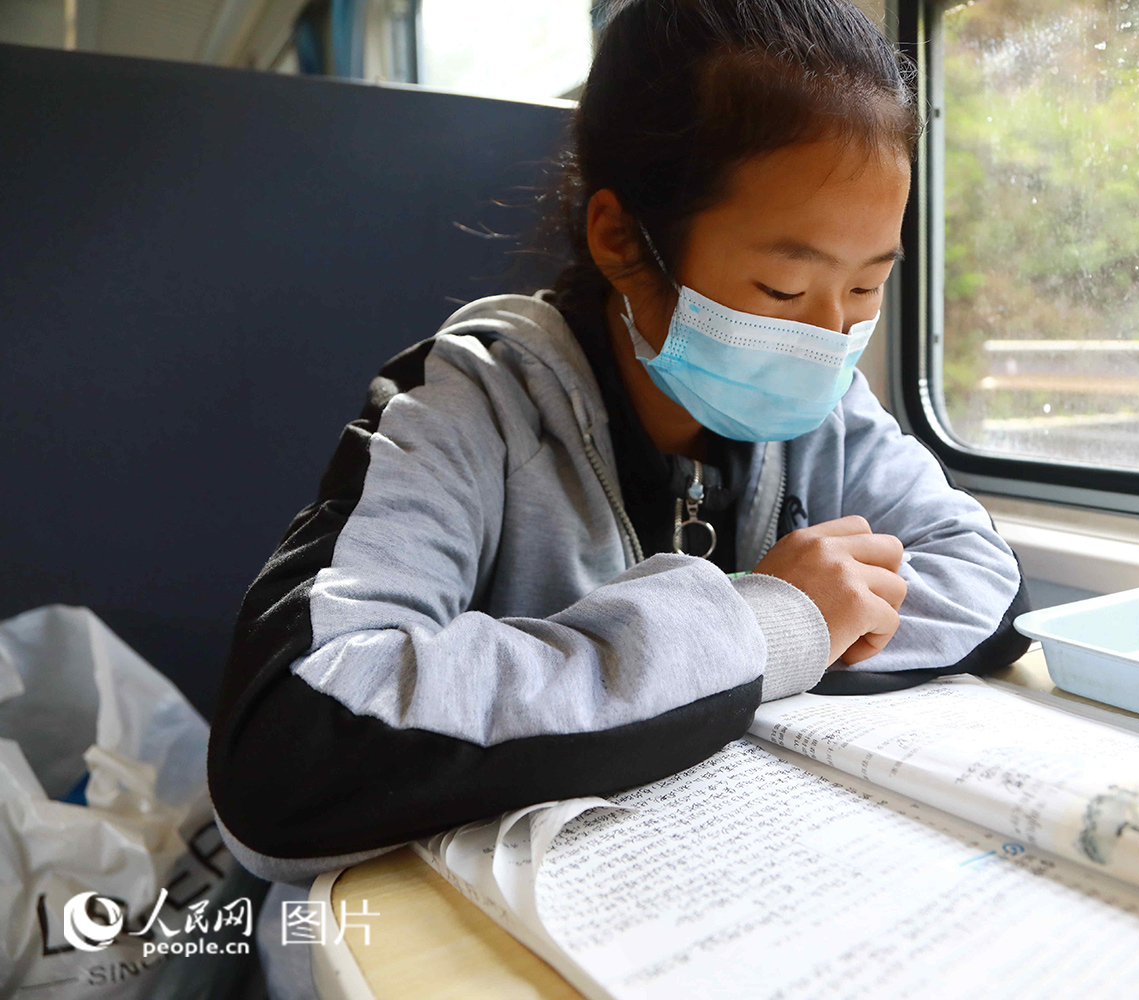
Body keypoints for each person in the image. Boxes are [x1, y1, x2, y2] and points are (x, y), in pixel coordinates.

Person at [208, 0, 1030, 994]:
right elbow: (293, 737)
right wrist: (767, 628)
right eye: (781, 290)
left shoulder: (828, 410)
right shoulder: (464, 403)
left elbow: (981, 574)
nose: (826, 337)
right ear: (622, 239)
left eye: (865, 291)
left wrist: (747, 666)